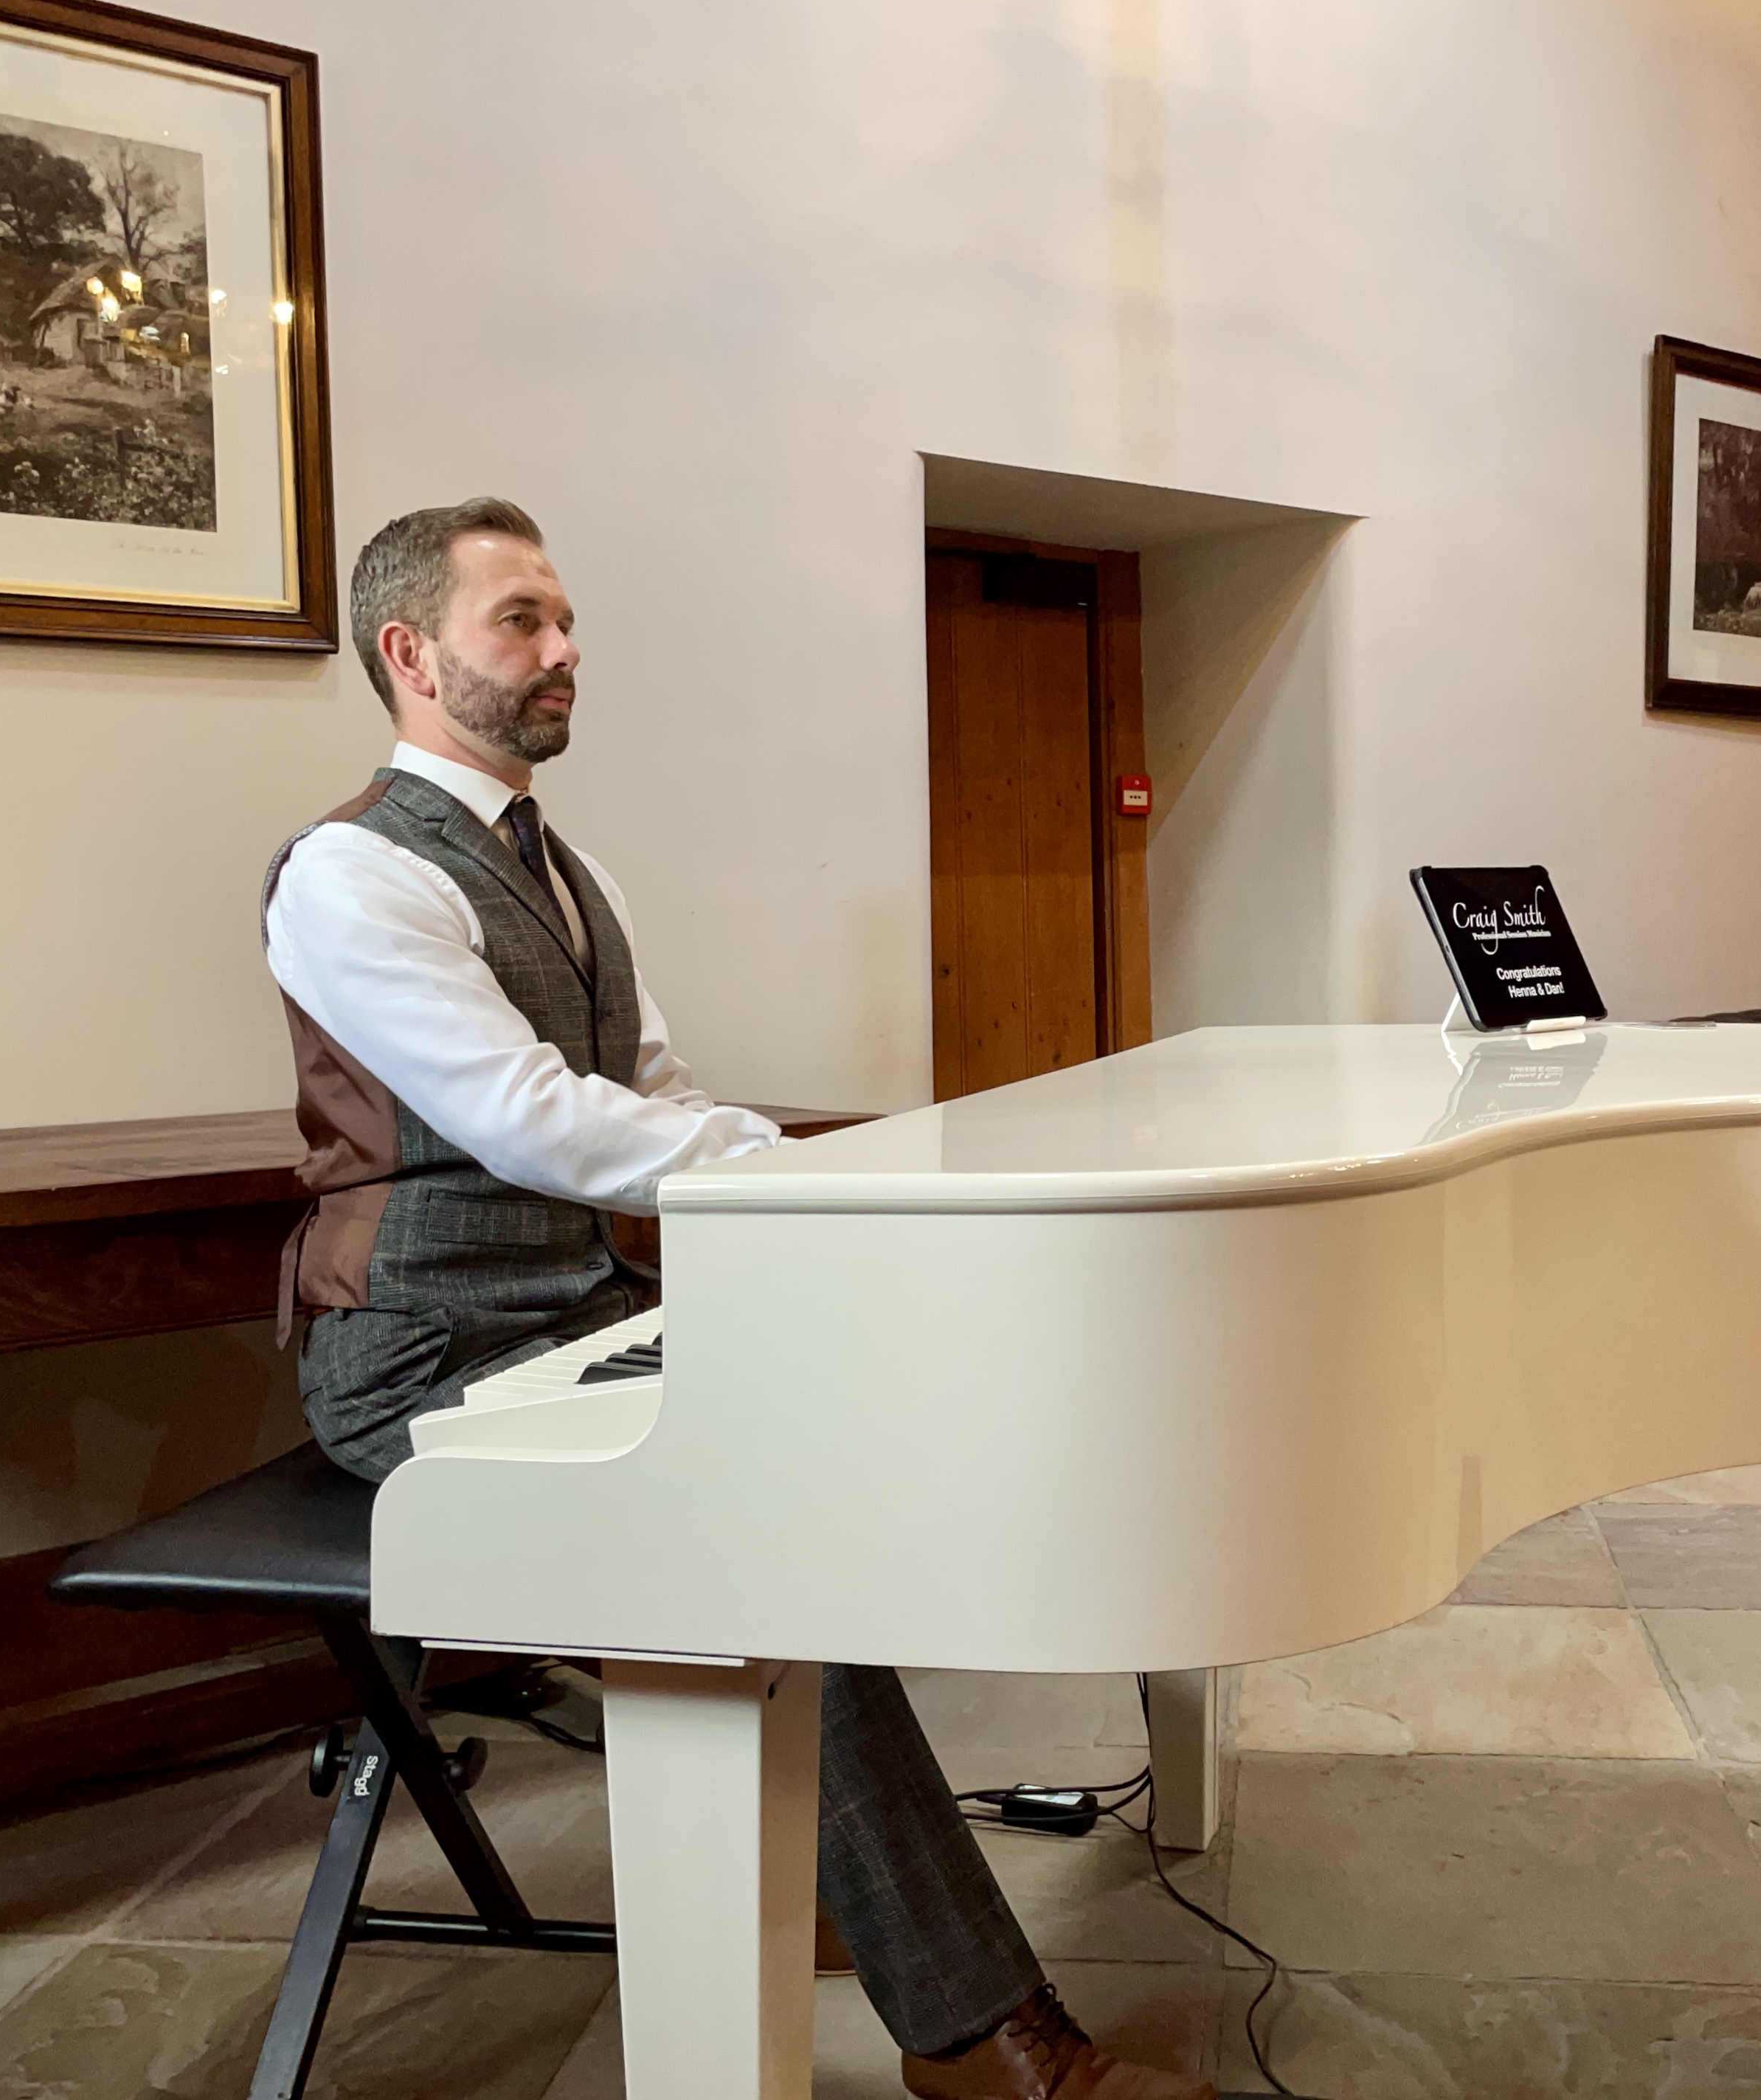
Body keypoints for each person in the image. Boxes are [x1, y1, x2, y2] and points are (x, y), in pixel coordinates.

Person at [262, 499, 1213, 2100]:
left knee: (850, 1453)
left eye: (567, 619)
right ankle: (980, 2035)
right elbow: (532, 1119)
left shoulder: (573, 872)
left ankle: (845, 1887)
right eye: (521, 622)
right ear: (410, 654)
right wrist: (793, 1170)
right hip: (418, 1356)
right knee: (763, 1535)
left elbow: (651, 1082)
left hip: (564, 1321)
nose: (565, 652)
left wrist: (784, 1167)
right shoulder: (352, 873)